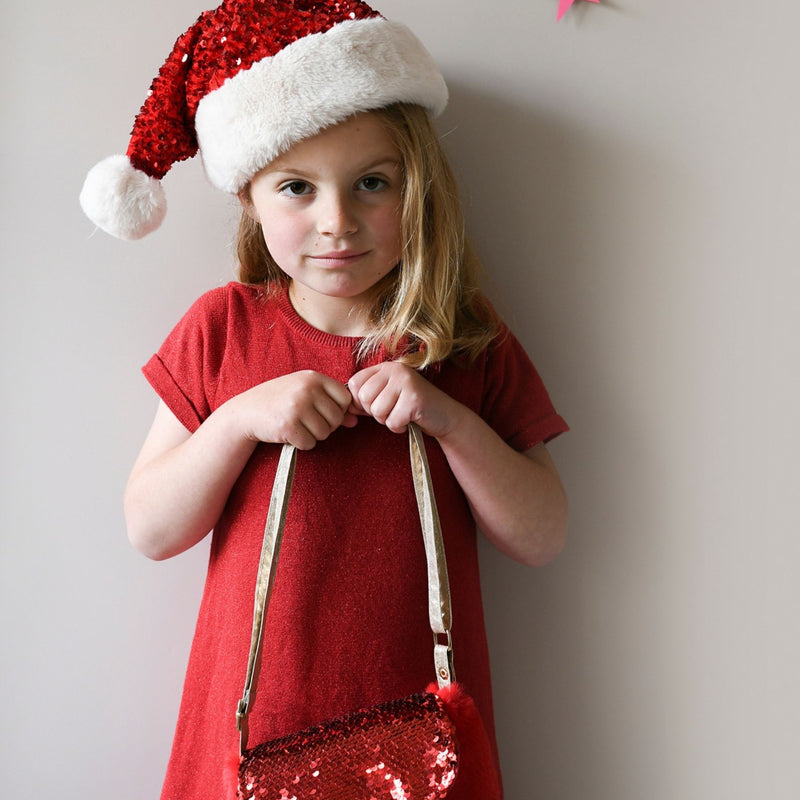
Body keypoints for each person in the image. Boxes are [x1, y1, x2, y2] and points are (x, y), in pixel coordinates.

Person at [80, 2, 569, 798]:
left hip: (418, 749)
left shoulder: (463, 340)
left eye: (371, 183)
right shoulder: (223, 329)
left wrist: (447, 418)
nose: (336, 222)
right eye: (297, 188)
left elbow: (542, 532)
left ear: (418, 188)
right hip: (249, 732)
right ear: (249, 199)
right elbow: (150, 527)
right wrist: (240, 420)